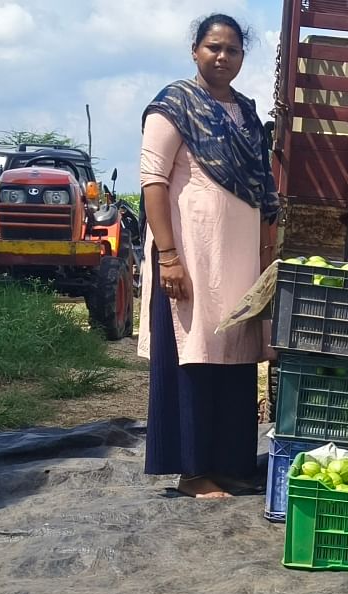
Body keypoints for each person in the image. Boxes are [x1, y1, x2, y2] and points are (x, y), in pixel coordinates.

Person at [138, 13, 281, 498]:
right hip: (191, 255)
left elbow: (264, 192)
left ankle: (230, 462)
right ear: (195, 50)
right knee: (193, 352)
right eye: (214, 48)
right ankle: (193, 470)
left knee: (236, 354)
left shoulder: (246, 112)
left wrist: (266, 258)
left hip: (240, 261)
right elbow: (153, 183)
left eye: (233, 50)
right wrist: (169, 257)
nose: (223, 57)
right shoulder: (173, 107)